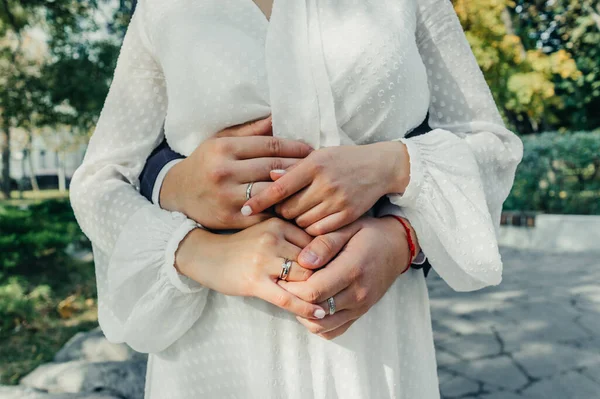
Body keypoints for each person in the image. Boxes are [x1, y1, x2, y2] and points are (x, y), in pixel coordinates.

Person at [69, 0, 523, 398]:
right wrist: (195, 246)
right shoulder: (164, 7)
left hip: (373, 347)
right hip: (213, 353)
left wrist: (401, 211)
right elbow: (99, 181)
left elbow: (492, 150)